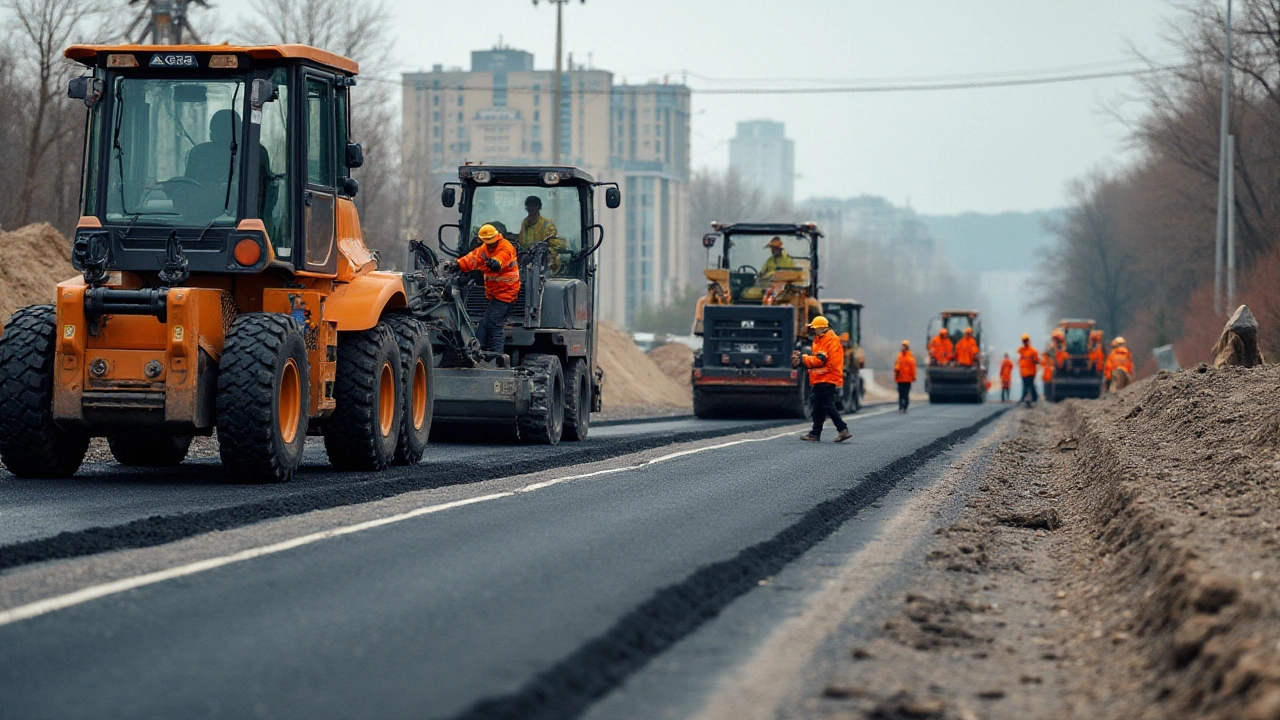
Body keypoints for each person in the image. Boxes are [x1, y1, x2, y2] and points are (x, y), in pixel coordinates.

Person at [446, 224, 520, 354]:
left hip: (506, 294)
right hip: (495, 294)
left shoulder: (506, 246)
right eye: (487, 243)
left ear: (496, 237)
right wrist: (458, 264)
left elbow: (502, 257)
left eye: (491, 242)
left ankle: (497, 355)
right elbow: (472, 258)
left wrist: (496, 263)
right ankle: (477, 352)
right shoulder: (484, 249)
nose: (490, 245)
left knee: (494, 324)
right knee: (485, 324)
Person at [795, 316, 852, 442]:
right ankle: (815, 433)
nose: (814, 331)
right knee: (818, 405)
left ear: (822, 328)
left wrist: (803, 359)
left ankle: (842, 429)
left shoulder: (829, 340)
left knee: (827, 405)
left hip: (827, 377)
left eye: (815, 328)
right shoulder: (820, 339)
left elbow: (821, 359)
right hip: (821, 378)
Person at [517, 196, 566, 273]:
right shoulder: (525, 224)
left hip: (544, 266)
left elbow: (557, 246)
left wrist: (543, 247)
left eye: (533, 206)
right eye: (529, 206)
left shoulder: (547, 225)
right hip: (527, 266)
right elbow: (521, 243)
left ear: (538, 208)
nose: (531, 209)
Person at [893, 339, 917, 413]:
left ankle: (905, 406)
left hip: (907, 379)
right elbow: (897, 365)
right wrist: (896, 372)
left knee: (906, 393)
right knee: (900, 393)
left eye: (905, 346)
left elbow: (913, 368)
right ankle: (901, 405)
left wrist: (913, 376)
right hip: (900, 378)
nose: (903, 348)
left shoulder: (910, 357)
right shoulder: (899, 356)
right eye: (903, 346)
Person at [1017, 334, 1040, 406]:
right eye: (1024, 341)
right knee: (1028, 385)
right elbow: (1018, 353)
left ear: (1029, 341)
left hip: (1030, 372)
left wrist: (1033, 360)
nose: (1025, 342)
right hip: (1023, 372)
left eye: (1026, 341)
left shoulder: (1033, 351)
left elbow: (1037, 361)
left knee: (1028, 386)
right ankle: (1034, 397)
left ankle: (1026, 398)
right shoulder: (1022, 350)